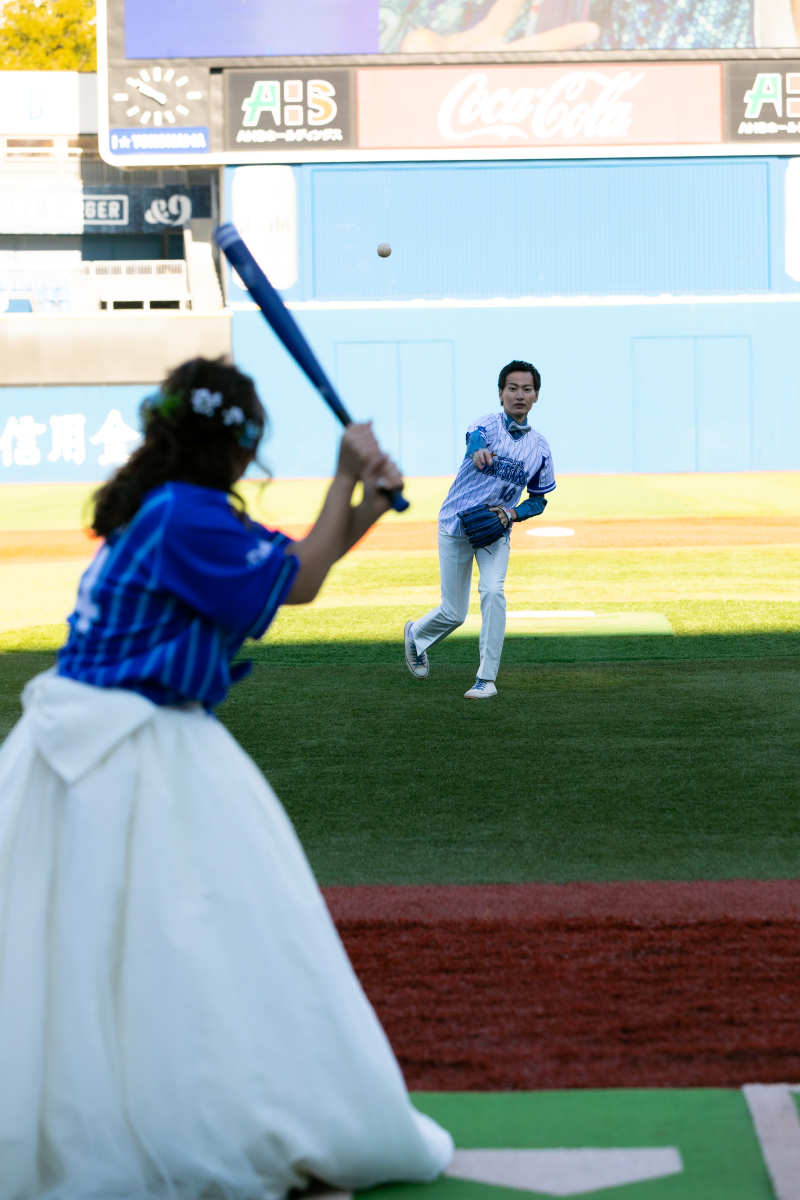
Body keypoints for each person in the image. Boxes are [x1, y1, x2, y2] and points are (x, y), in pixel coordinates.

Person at [0, 357, 452, 1200]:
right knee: (208, 937)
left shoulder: (166, 509)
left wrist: (361, 506)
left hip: (76, 745)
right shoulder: (187, 518)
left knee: (87, 956)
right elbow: (301, 580)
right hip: (133, 752)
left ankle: (130, 1117)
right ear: (240, 452)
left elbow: (295, 572)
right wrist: (348, 475)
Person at [404, 360, 555, 700]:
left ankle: (486, 679)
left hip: (495, 529)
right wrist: (477, 450)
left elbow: (540, 499)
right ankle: (417, 634)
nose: (519, 395)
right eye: (512, 388)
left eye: (526, 389)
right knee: (454, 613)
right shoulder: (486, 425)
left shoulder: (541, 448)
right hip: (455, 524)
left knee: (492, 591)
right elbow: (474, 438)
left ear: (536, 396)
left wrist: (511, 514)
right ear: (501, 393)